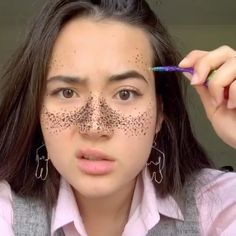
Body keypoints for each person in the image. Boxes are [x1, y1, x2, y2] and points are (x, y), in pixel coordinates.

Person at [0, 0, 235, 235]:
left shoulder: (217, 208)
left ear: (160, 112)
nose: (94, 126)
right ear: (37, 107)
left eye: (125, 94)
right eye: (67, 92)